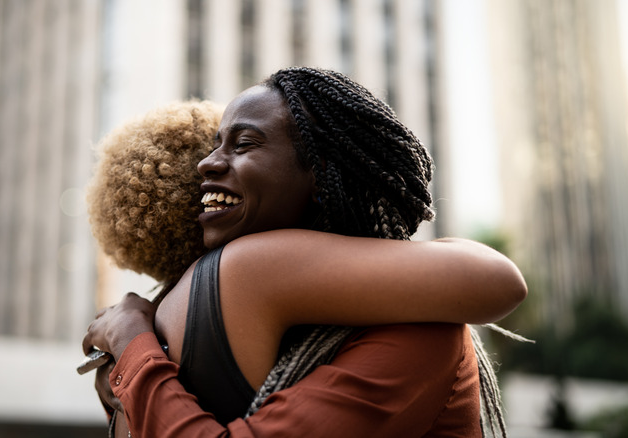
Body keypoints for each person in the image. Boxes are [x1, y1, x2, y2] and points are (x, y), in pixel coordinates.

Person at [84, 68, 527, 437]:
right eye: (215, 144)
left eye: (243, 144)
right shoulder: (190, 311)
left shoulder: (418, 330)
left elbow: (499, 279)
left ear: (320, 176)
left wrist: (130, 346)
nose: (207, 163)